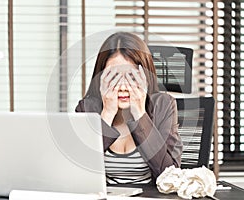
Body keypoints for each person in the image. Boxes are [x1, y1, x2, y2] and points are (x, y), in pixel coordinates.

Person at [75, 32, 183, 184]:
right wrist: (107, 114)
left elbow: (170, 175)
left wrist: (139, 114)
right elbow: (78, 172)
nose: (123, 86)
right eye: (114, 77)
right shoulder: (86, 108)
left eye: (132, 77)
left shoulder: (163, 106)